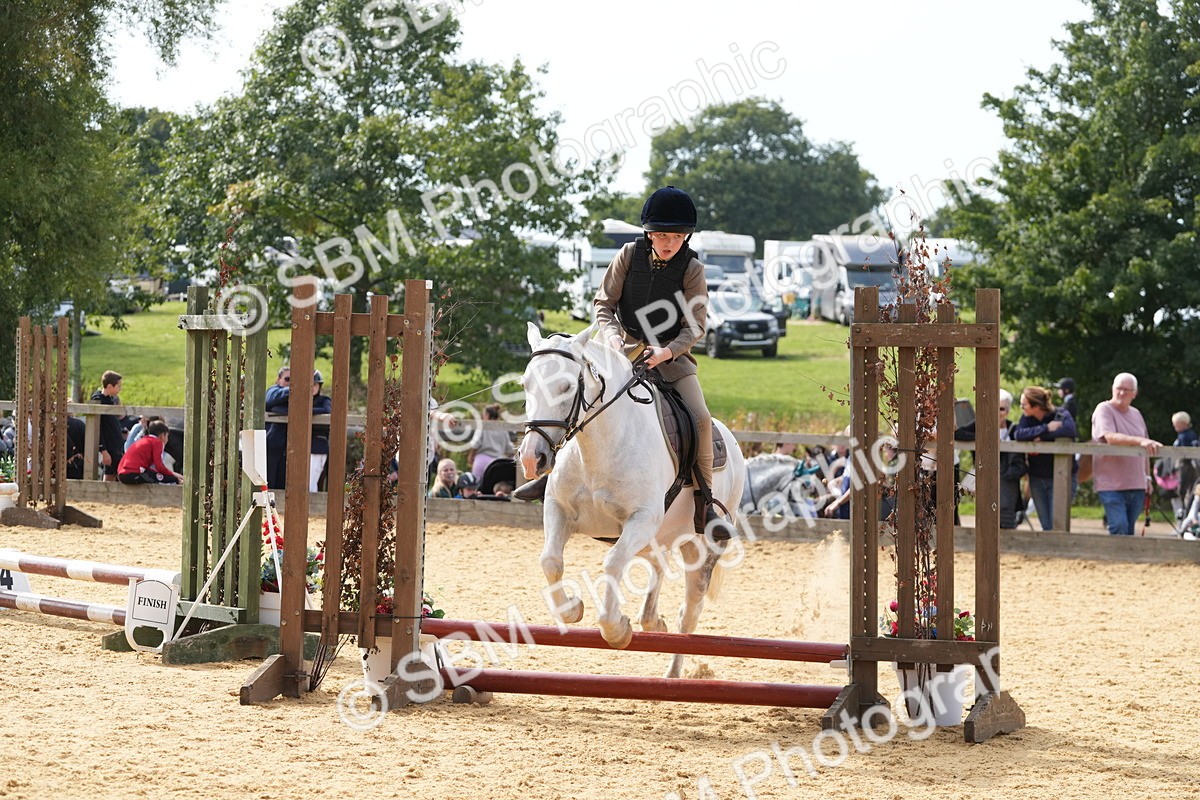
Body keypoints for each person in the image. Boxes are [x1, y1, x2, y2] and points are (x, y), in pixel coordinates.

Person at [516, 186, 736, 540]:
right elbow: (604, 304)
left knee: (700, 418)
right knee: (579, 402)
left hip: (670, 358)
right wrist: (614, 336)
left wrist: (667, 351)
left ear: (686, 237)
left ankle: (706, 502)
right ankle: (550, 479)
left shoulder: (692, 269)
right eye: (662, 235)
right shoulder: (628, 254)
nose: (669, 243)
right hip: (618, 350)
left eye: (676, 237)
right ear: (650, 234)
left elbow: (695, 325)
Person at [1091, 373, 1161, 535]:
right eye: (1119, 388)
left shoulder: (1136, 414)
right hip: (1110, 483)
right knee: (1119, 525)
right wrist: (1139, 441)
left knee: (1129, 529)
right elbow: (1110, 437)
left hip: (1136, 483)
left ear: (1134, 394)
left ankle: (1126, 560)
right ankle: (1116, 559)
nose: (1122, 393)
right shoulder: (1104, 409)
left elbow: (1146, 449)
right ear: (1112, 389)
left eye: (1127, 390)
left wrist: (1147, 477)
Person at [956, 389, 1026, 529]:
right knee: (985, 517)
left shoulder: (1014, 429)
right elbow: (957, 433)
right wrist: (982, 438)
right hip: (985, 478)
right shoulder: (978, 425)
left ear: (1007, 411)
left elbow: (1021, 460)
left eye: (1001, 409)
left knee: (1006, 518)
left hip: (1007, 482)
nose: (997, 413)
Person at [1011, 386, 1077, 531]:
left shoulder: (1061, 413)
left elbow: (1070, 429)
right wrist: (1046, 429)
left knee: (1058, 524)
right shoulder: (1027, 418)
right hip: (1037, 477)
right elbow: (1019, 434)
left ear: (1036, 406)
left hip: (1061, 477)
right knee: (1046, 524)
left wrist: (1041, 437)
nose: (1021, 407)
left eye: (1024, 404)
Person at [117, 420, 184, 484]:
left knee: (152, 474)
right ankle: (179, 481)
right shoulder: (157, 442)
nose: (167, 439)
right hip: (133, 473)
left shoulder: (144, 440)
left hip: (122, 474)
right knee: (161, 478)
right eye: (167, 436)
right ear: (162, 435)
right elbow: (159, 467)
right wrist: (174, 475)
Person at [91, 370, 124, 482]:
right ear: (110, 386)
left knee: (111, 474)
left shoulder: (110, 400)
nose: (120, 389)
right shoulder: (99, 401)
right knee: (121, 475)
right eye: (119, 386)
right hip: (110, 448)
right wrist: (104, 451)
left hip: (116, 446)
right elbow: (98, 428)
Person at [467, 404, 512, 478]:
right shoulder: (503, 429)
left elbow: (476, 444)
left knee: (476, 486)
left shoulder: (483, 426)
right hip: (498, 462)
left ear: (487, 414)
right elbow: (509, 448)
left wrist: (471, 456)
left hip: (482, 460)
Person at [264, 367, 291, 489]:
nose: (290, 382)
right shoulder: (273, 389)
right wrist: (295, 388)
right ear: (278, 380)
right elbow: (271, 399)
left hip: (289, 448)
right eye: (287, 379)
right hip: (273, 445)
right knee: (270, 484)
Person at [310, 371, 332, 492]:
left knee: (311, 484)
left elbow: (327, 410)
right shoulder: (299, 399)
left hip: (318, 446)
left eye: (315, 384)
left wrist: (307, 409)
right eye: (310, 384)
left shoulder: (324, 400)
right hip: (302, 446)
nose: (312, 387)